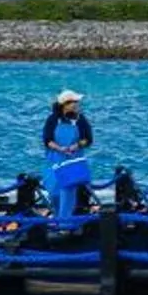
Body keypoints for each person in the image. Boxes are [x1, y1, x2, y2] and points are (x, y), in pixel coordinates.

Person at [42, 89, 95, 219]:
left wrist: (76, 146)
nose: (76, 104)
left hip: (73, 160)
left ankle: (65, 222)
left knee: (68, 191)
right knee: (53, 191)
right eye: (72, 102)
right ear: (64, 105)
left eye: (76, 102)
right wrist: (60, 148)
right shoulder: (53, 119)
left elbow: (87, 139)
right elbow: (47, 140)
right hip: (54, 159)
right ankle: (57, 216)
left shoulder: (81, 120)